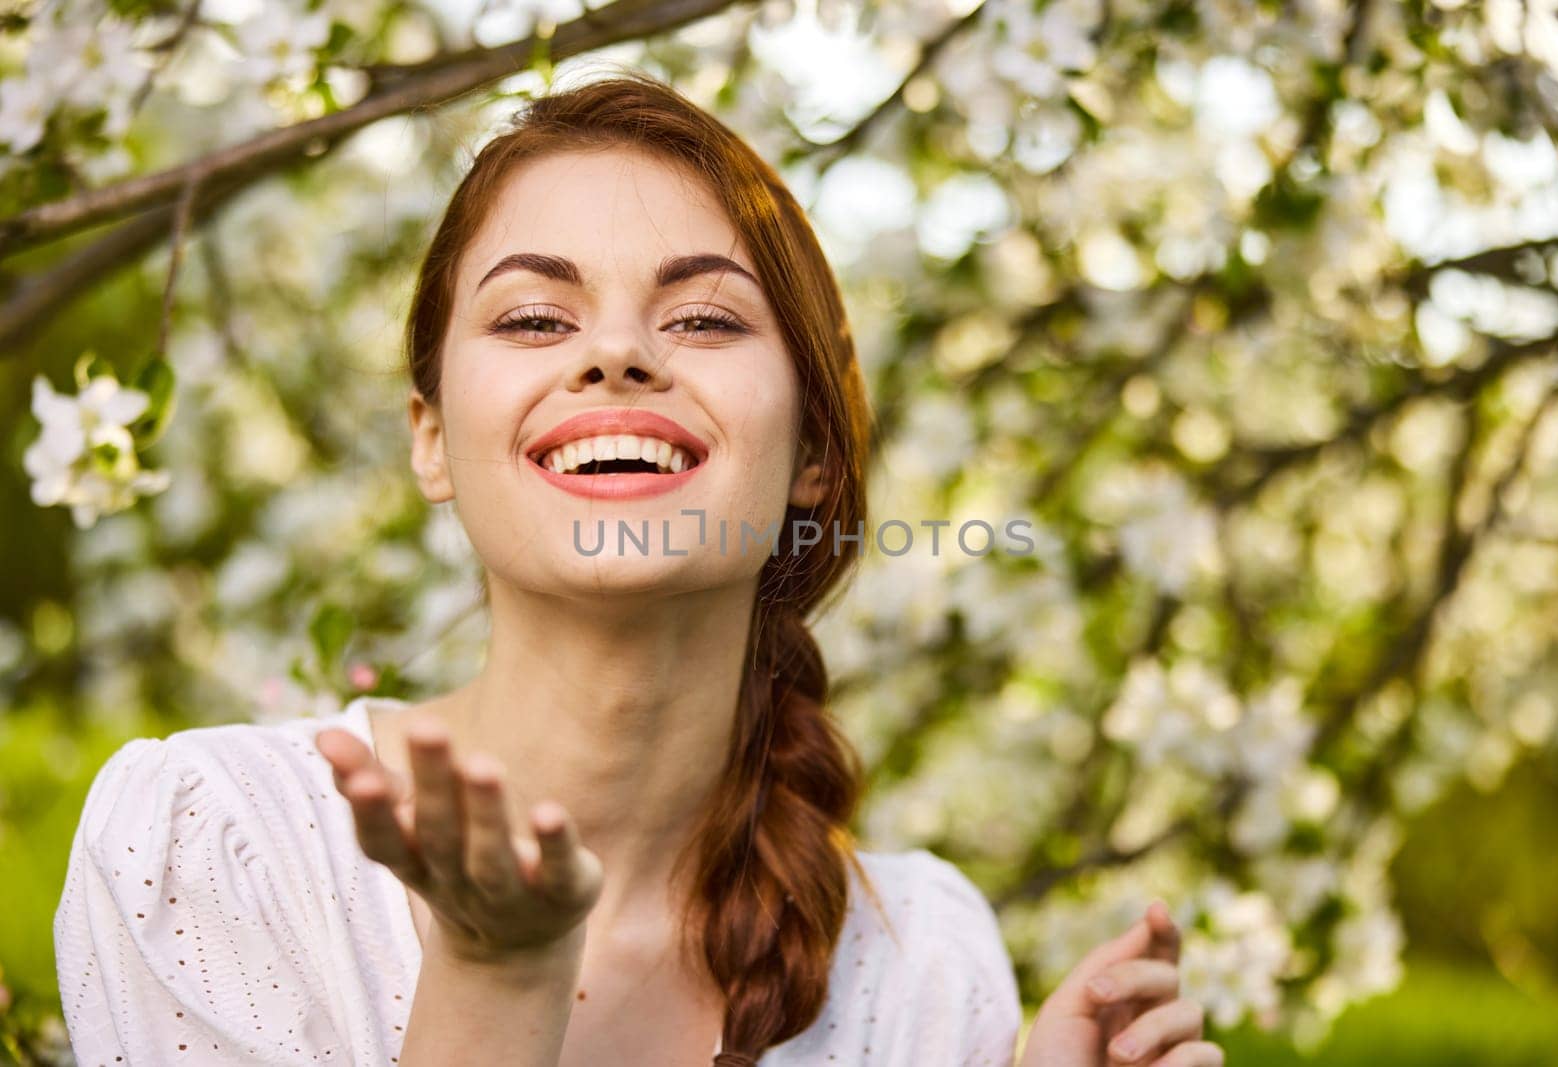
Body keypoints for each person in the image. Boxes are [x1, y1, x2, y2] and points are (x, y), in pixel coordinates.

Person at [53, 68, 1222, 1067]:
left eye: (705, 319)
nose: (616, 352)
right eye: (532, 320)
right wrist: (495, 974)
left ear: (814, 450)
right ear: (431, 437)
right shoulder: (209, 844)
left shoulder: (923, 961)